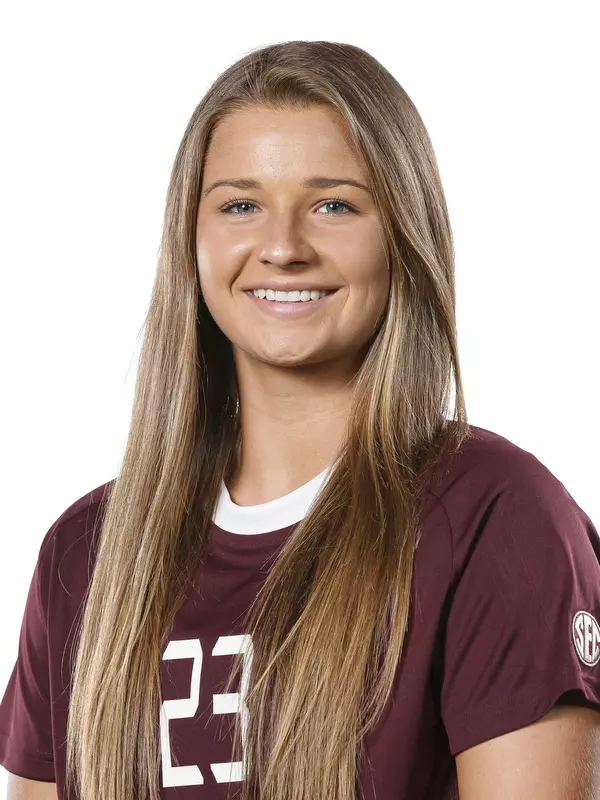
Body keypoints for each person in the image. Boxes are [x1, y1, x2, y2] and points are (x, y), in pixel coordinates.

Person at [1, 39, 599, 800]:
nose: (282, 247)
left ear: (403, 234)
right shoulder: (87, 555)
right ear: (193, 238)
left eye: (334, 205)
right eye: (240, 205)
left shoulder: (493, 515)